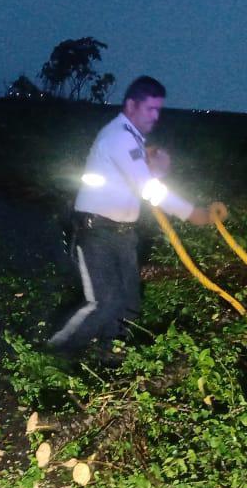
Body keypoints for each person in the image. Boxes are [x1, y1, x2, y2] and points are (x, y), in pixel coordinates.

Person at [47, 75, 226, 359]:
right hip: (97, 232)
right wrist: (193, 214)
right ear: (131, 105)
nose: (156, 116)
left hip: (123, 233)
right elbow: (147, 187)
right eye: (150, 109)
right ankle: (55, 353)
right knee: (104, 303)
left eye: (158, 110)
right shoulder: (119, 136)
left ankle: (111, 356)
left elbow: (138, 175)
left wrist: (153, 162)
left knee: (129, 303)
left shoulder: (132, 139)